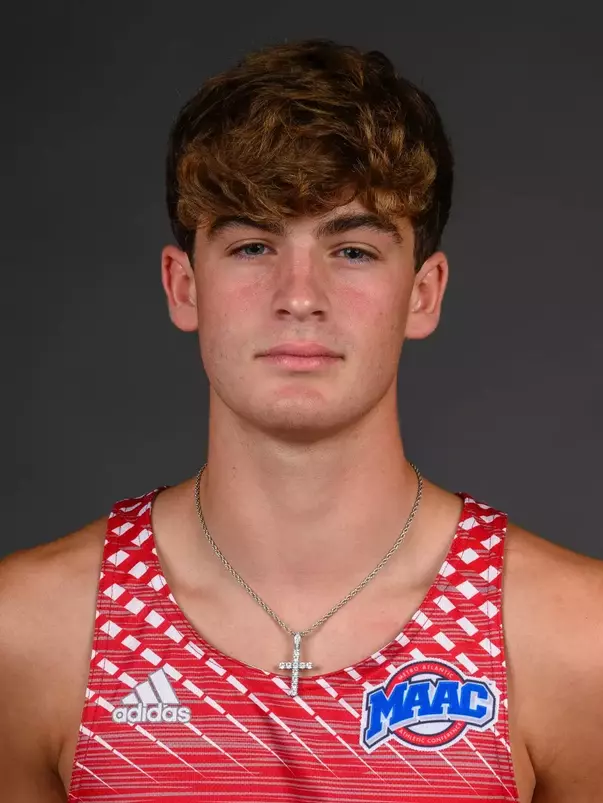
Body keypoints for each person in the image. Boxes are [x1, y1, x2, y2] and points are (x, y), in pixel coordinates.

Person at [0, 38, 601, 803]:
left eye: (351, 250)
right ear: (183, 287)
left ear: (423, 293)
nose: (298, 295)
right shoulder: (29, 635)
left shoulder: (576, 640)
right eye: (252, 244)